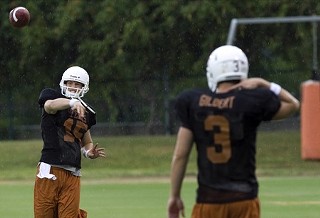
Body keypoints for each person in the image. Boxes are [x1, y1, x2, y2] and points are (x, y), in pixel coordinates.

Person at [167, 45, 300, 218]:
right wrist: (264, 83)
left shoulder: (194, 102)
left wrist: (174, 196)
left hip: (209, 201)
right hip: (244, 199)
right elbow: (293, 105)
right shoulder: (251, 101)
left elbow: (180, 155)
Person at [34, 66, 106, 218]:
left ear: (83, 87)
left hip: (73, 173)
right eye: (70, 82)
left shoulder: (85, 112)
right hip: (50, 169)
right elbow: (49, 106)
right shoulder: (51, 96)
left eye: (77, 84)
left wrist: (88, 152)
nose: (72, 87)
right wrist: (71, 103)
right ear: (63, 82)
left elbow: (86, 141)